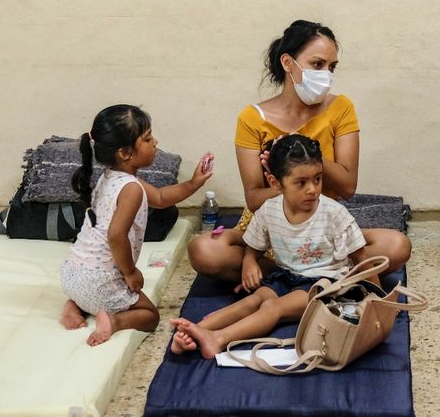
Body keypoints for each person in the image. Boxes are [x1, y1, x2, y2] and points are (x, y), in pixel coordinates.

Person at [187, 20, 411, 282]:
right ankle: (310, 275)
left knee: (397, 246)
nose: (326, 74)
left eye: (332, 67)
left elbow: (348, 187)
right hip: (270, 230)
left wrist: (305, 149)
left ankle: (292, 276)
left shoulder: (341, 108)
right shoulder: (252, 118)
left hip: (321, 225)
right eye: (317, 64)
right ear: (287, 63)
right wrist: (288, 182)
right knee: (203, 250)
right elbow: (254, 199)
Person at [170, 134, 373, 358]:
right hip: (286, 276)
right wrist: (248, 262)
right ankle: (196, 330)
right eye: (301, 182)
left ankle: (218, 339)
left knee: (272, 308)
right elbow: (253, 246)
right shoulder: (270, 210)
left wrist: (377, 303)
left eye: (317, 179)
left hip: (325, 285)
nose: (313, 189)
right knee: (253, 300)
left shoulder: (334, 213)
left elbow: (363, 259)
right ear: (276, 183)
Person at [59, 104, 214, 346]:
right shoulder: (130, 189)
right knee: (150, 317)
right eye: (148, 138)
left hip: (71, 275)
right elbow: (116, 236)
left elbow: (161, 199)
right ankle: (113, 320)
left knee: (91, 294)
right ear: (125, 153)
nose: (155, 142)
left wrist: (194, 183)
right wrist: (130, 272)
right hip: (98, 281)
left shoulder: (111, 177)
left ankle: (74, 305)